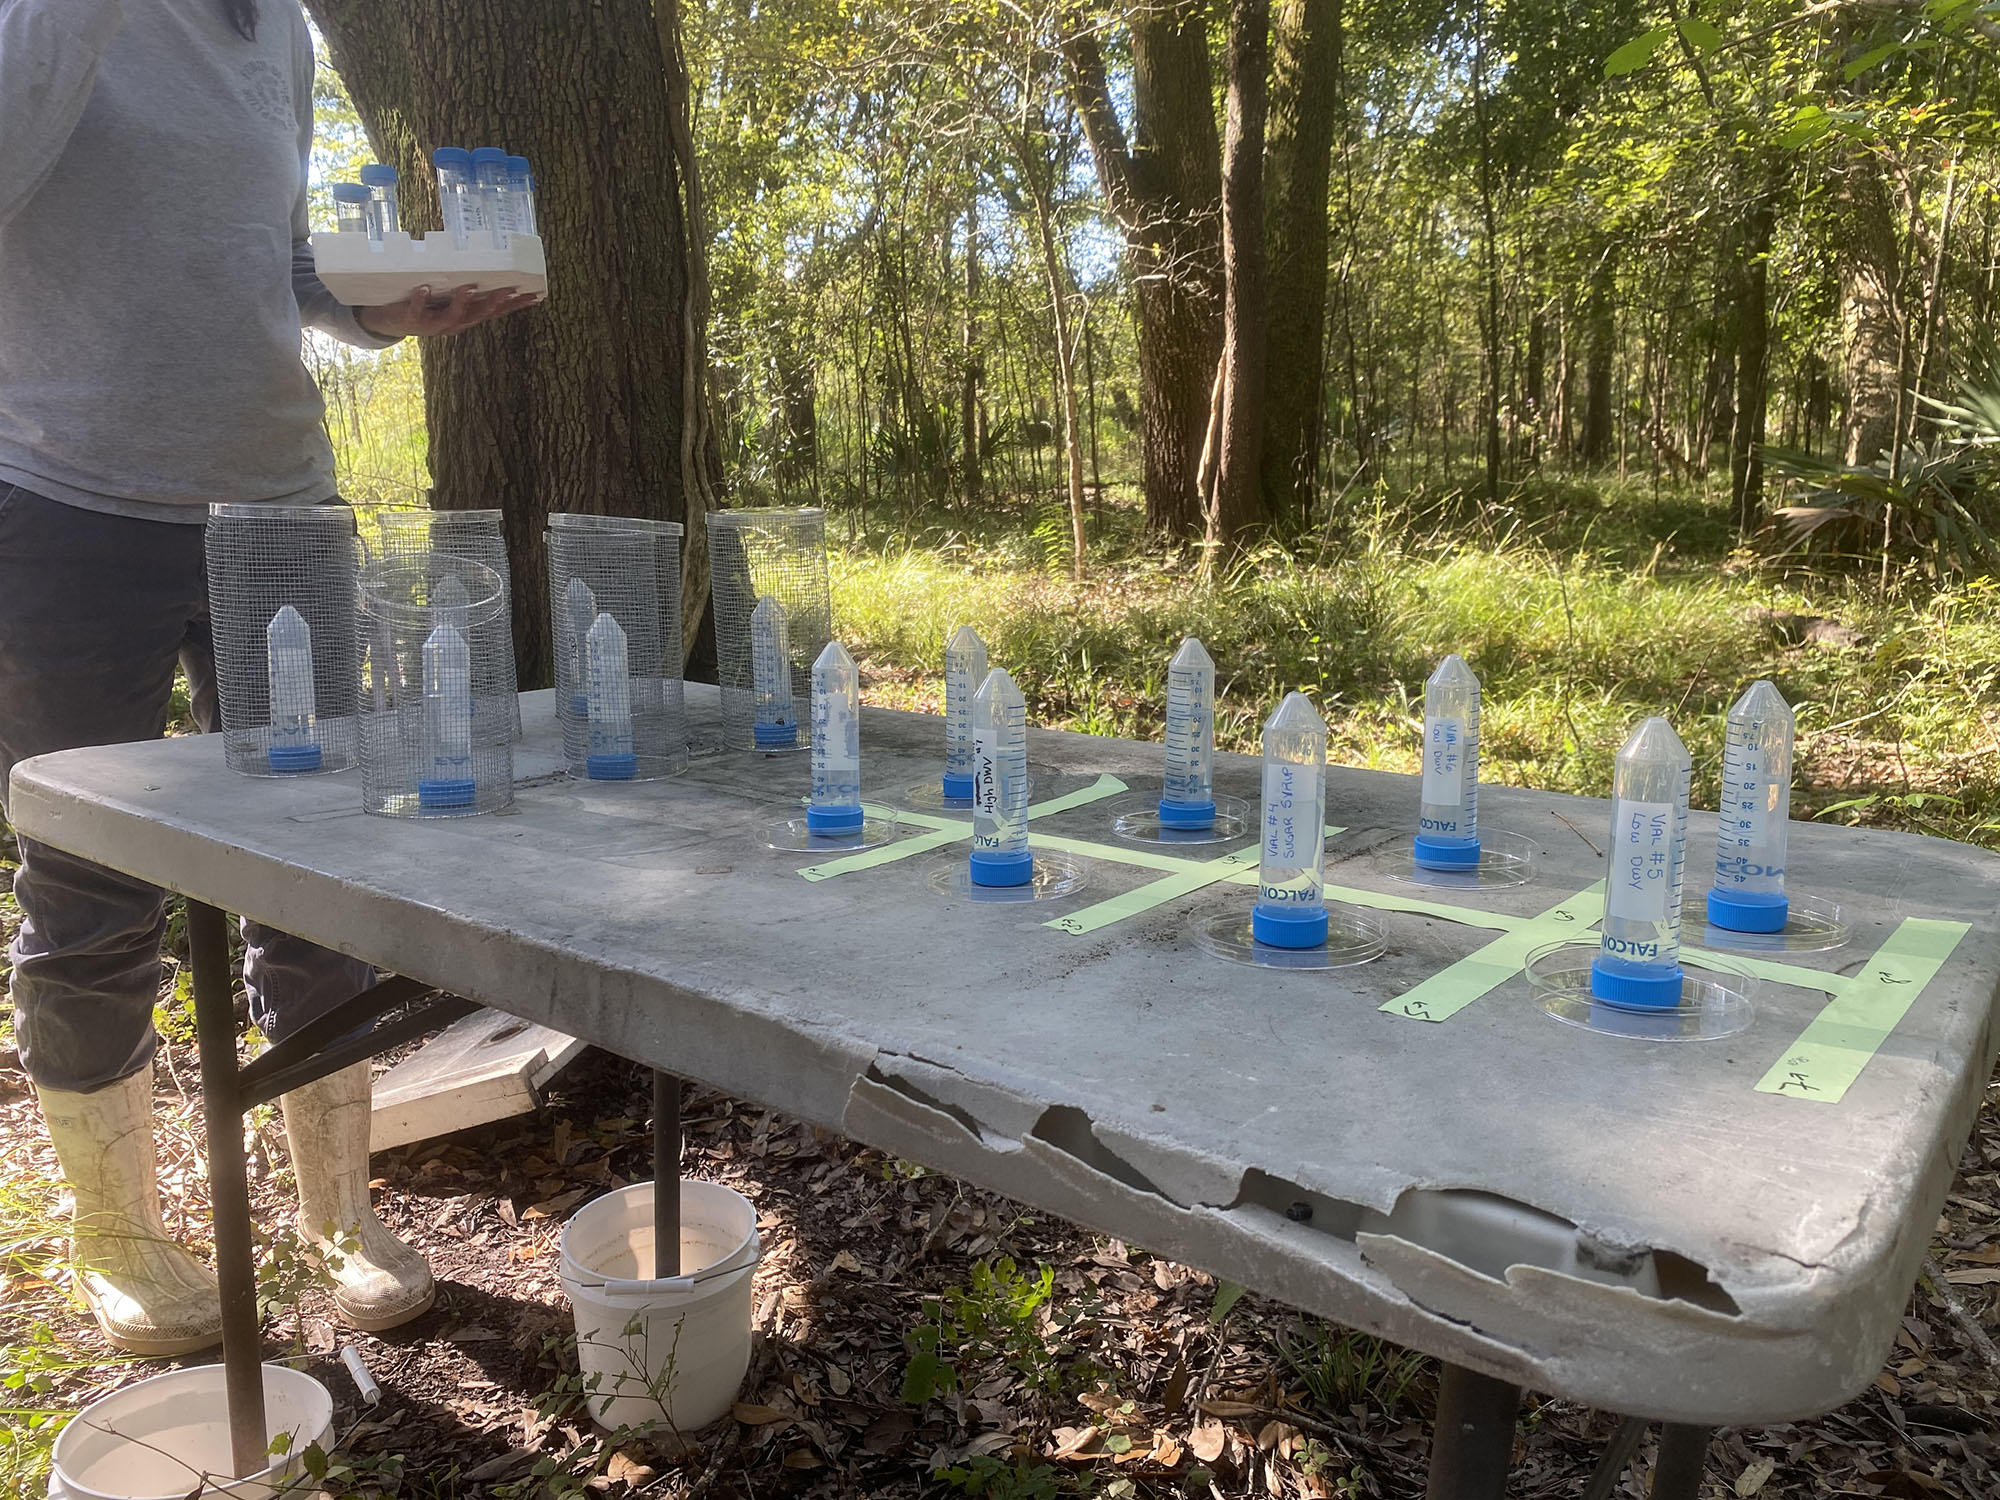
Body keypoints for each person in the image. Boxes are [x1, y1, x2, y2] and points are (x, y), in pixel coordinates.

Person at [0, 0, 538, 1354]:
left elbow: (274, 263)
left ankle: (338, 1210)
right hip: (69, 508)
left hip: (285, 511)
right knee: (86, 875)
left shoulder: (278, 34)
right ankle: (118, 1236)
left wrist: (383, 308)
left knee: (315, 863)